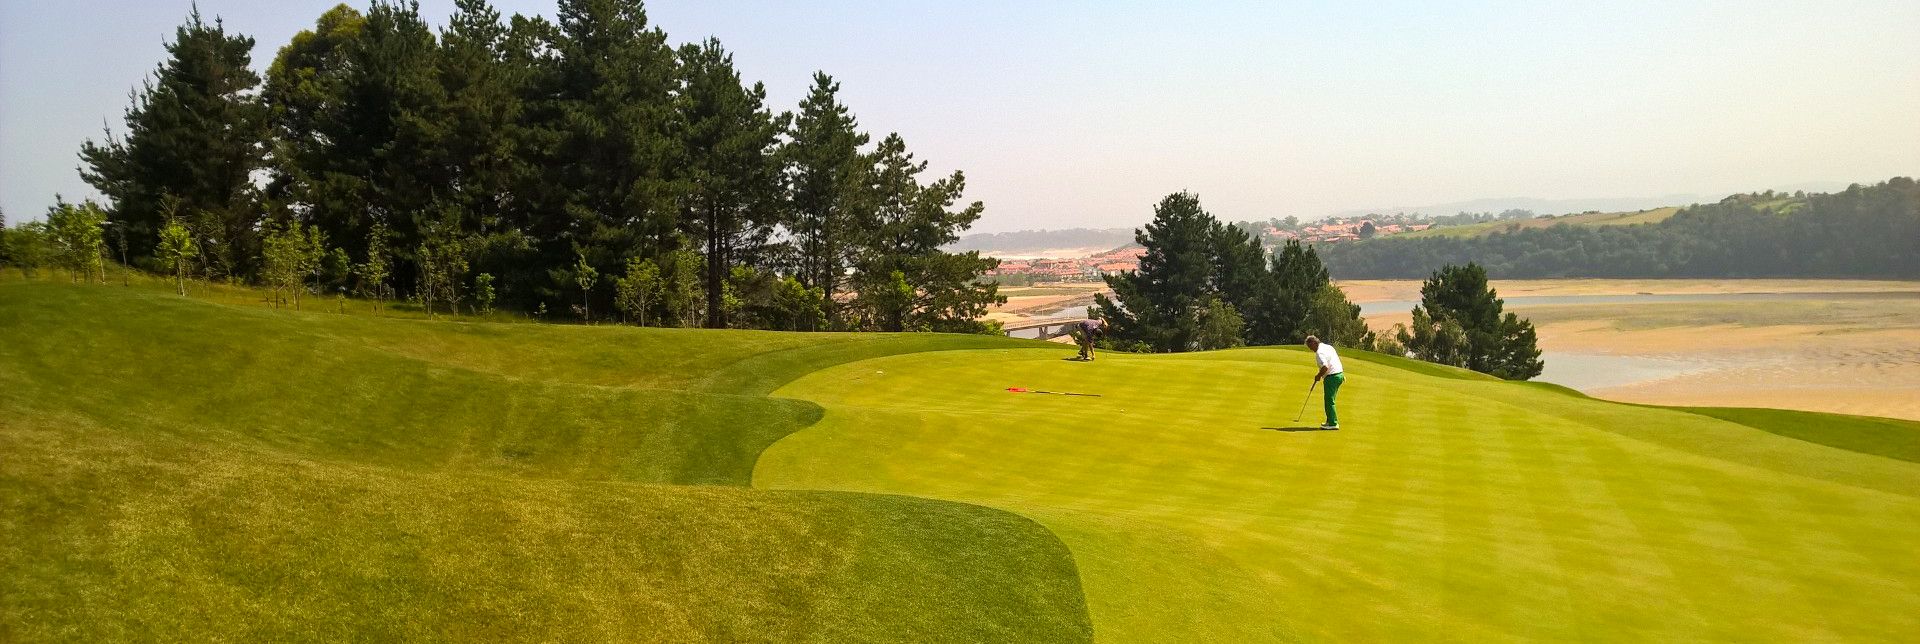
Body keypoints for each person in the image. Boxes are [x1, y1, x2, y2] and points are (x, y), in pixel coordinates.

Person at [1305, 335, 1344, 429]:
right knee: (1330, 400)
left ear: (1314, 343)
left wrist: (1318, 375)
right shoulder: (1328, 347)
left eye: (1311, 347)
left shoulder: (1319, 352)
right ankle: (1329, 420)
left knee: (1329, 401)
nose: (1311, 349)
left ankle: (1333, 424)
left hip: (1332, 377)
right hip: (1339, 374)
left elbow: (1325, 367)